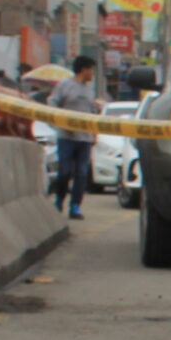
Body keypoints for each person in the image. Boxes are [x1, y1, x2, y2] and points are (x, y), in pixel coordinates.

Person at [44, 56, 100, 219]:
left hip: (85, 139)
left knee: (82, 173)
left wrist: (94, 133)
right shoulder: (65, 85)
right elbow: (52, 103)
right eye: (91, 69)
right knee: (64, 172)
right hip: (66, 137)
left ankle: (75, 206)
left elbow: (92, 113)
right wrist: (59, 122)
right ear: (84, 69)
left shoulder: (89, 90)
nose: (92, 73)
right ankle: (59, 200)